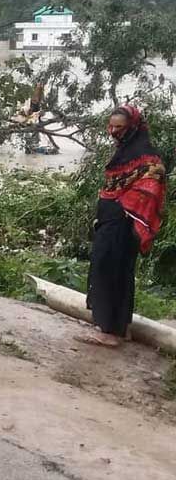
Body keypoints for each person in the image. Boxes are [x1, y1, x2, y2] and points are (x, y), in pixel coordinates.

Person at [81, 106, 167, 347]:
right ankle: (119, 327)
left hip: (123, 225)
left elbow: (153, 185)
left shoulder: (147, 156)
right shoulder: (125, 151)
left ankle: (110, 332)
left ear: (133, 127)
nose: (113, 131)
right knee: (110, 270)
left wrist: (124, 206)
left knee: (111, 271)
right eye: (111, 126)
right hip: (110, 223)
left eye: (119, 127)